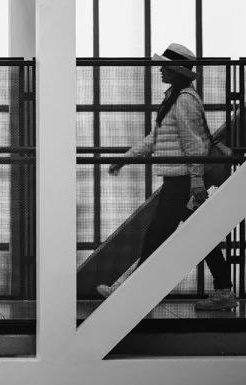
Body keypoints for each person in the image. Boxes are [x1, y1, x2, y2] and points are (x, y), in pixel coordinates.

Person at [99, 42, 235, 312]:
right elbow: (156, 138)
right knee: (201, 235)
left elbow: (194, 145)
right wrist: (126, 159)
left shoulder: (184, 100)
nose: (159, 69)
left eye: (165, 66)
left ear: (177, 71)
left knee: (157, 233)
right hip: (179, 179)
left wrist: (196, 183)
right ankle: (223, 290)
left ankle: (129, 290)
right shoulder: (175, 97)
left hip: (183, 181)